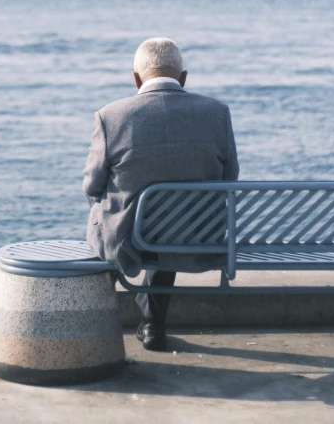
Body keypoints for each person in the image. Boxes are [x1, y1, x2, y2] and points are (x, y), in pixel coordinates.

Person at [83, 37, 239, 351]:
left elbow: (92, 185)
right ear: (183, 78)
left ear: (136, 78)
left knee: (117, 217)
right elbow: (229, 177)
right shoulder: (217, 113)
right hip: (195, 237)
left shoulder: (110, 116)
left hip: (130, 239)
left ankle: (93, 320)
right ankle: (153, 323)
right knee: (173, 218)